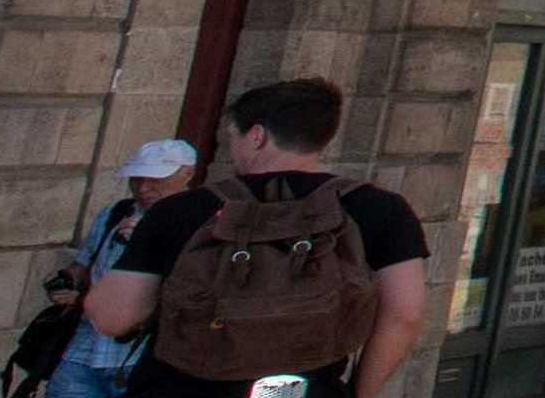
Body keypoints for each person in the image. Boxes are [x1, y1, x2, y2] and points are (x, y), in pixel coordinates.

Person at [82, 80, 429, 398]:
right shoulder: (381, 209)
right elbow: (404, 315)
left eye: (233, 138)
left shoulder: (183, 209)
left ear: (257, 136)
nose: (232, 149)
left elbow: (113, 317)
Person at [30, 140, 202, 398]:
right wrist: (67, 283)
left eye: (155, 180)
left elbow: (199, 288)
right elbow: (83, 265)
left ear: (187, 174)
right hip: (85, 349)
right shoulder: (115, 213)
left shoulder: (203, 221)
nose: (144, 188)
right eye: (136, 179)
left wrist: (150, 242)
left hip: (145, 356)